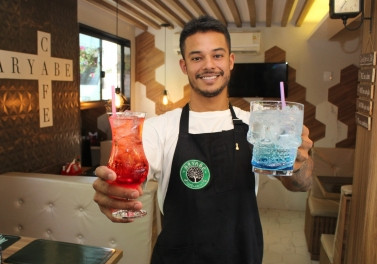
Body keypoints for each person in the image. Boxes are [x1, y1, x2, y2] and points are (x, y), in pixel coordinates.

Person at [93, 15, 313, 264]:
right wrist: (115, 193)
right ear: (184, 66)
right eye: (197, 57)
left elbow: (300, 184)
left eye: (217, 55)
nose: (208, 65)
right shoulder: (159, 128)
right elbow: (133, 173)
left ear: (231, 61)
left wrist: (298, 160)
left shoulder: (257, 125)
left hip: (242, 255)